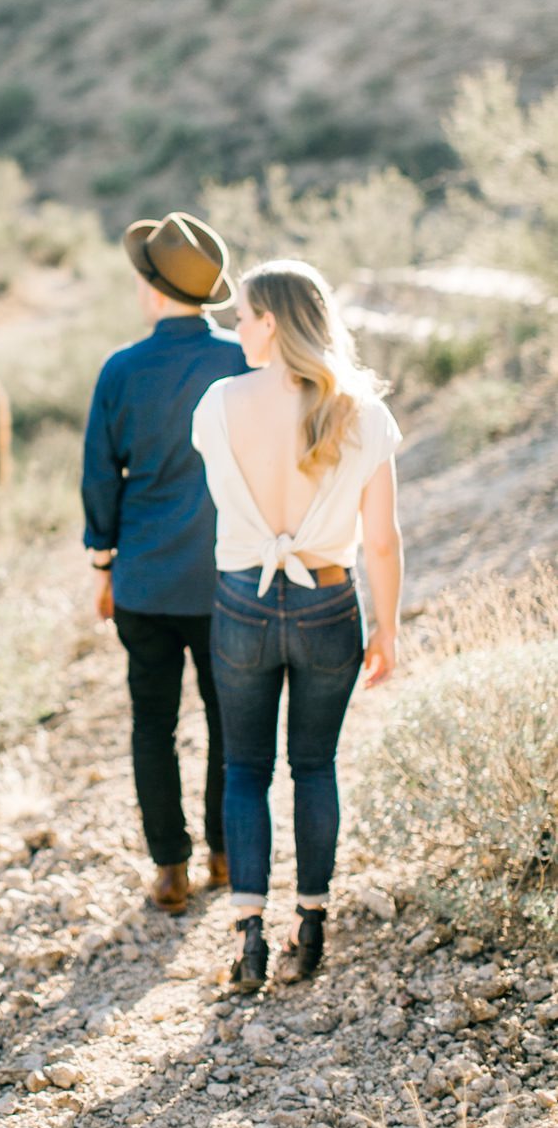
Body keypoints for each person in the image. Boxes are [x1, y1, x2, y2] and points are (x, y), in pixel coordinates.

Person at [191, 258, 402, 989]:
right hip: (327, 601)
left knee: (244, 769)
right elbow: (380, 539)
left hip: (243, 599)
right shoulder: (363, 412)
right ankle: (309, 926)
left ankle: (248, 938)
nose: (237, 327)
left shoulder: (218, 404)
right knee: (313, 767)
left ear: (271, 321)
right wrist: (387, 630)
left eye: (244, 315)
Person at [82, 211, 249, 912]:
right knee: (225, 721)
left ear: (151, 290)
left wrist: (102, 565)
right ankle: (222, 853)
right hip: (225, 580)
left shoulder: (121, 370)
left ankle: (168, 868)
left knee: (151, 723)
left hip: (144, 580)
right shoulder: (242, 359)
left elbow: (99, 477)